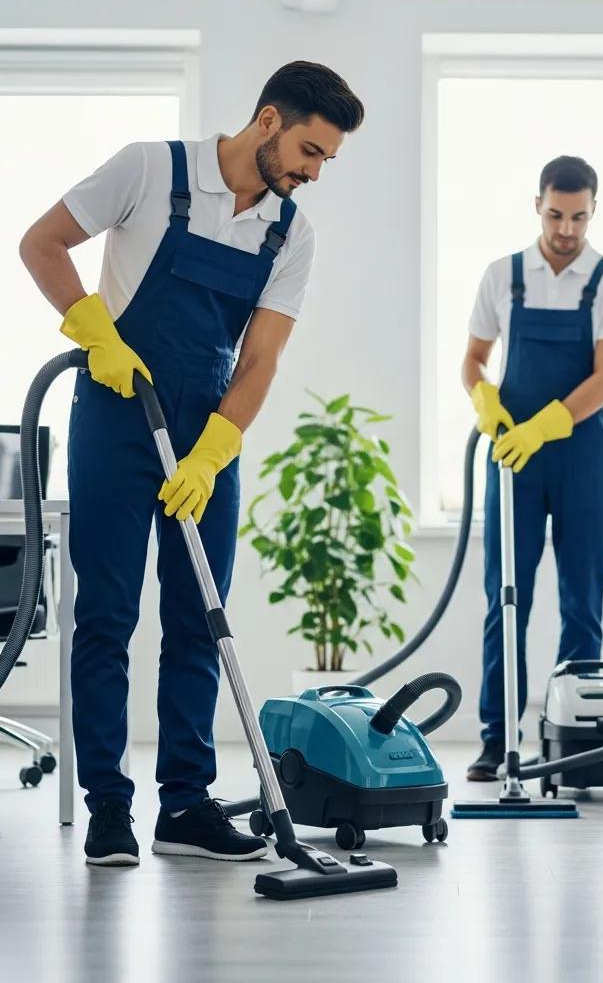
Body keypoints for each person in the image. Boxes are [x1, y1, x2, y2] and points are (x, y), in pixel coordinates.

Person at [19, 60, 363, 865]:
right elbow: (43, 243)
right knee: (105, 615)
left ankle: (185, 805)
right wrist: (93, 330)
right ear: (270, 121)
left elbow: (260, 361)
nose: (313, 174)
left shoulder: (289, 232)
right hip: (115, 413)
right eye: (311, 152)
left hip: (206, 432)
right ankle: (110, 808)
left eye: (326, 162)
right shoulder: (150, 168)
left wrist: (215, 451)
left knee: (198, 620)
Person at [461, 155, 603, 781]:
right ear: (537, 204)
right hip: (513, 458)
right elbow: (474, 360)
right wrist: (485, 398)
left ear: (595, 210)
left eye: (579, 216)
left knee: (581, 599)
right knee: (505, 599)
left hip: (583, 455)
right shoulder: (503, 275)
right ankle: (496, 738)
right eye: (557, 214)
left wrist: (546, 426)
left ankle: (575, 742)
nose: (567, 228)